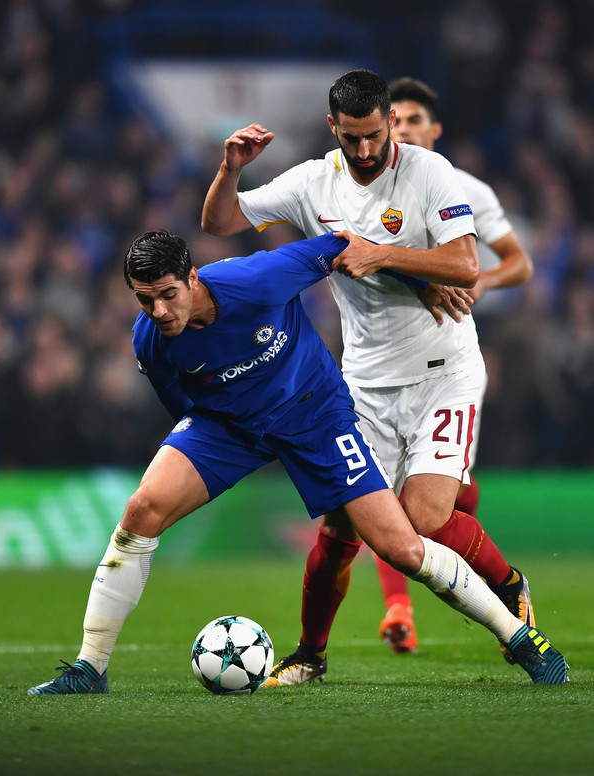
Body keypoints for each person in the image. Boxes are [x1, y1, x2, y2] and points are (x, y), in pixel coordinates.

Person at [27, 229, 567, 695]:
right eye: (146, 301)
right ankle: (90, 668)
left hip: (314, 416)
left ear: (192, 278)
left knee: (402, 548)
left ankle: (521, 639)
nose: (160, 312)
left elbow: (347, 246)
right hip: (228, 426)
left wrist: (419, 281)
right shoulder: (151, 341)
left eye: (168, 295)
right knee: (141, 510)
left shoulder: (260, 278)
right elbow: (179, 403)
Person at [201, 68, 537, 685]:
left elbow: (466, 264)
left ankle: (509, 584)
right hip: (363, 383)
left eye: (374, 136)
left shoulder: (429, 172)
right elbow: (220, 223)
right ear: (333, 126)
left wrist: (380, 253)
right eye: (350, 137)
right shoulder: (312, 182)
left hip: (443, 371)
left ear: (390, 122)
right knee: (339, 525)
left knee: (425, 518)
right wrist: (231, 169)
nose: (363, 150)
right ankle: (310, 655)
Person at [371, 76, 535, 656]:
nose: (405, 129)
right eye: (396, 120)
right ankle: (400, 609)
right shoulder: (369, 189)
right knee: (393, 500)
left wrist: (479, 281)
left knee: (439, 502)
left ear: (435, 129)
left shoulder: (465, 189)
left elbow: (519, 263)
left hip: (450, 365)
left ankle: (502, 584)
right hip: (387, 367)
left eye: (415, 120)